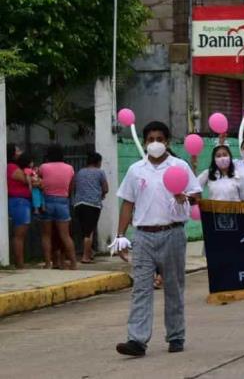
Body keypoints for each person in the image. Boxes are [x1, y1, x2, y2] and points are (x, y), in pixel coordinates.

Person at [113, 121, 202, 357]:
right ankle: (137, 340)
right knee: (141, 288)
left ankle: (176, 336)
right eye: (150, 139)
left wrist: (185, 198)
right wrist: (121, 235)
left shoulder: (179, 166)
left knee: (173, 287)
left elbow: (196, 195)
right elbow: (127, 203)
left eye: (159, 139)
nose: (155, 144)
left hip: (172, 233)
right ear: (144, 142)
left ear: (167, 142)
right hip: (143, 236)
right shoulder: (135, 170)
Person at [38, 144, 77, 270]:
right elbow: (71, 187)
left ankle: (48, 263)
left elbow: (38, 182)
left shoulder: (43, 167)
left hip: (47, 201)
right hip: (62, 202)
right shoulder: (70, 168)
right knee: (65, 235)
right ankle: (73, 263)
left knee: (46, 235)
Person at [73, 152, 109, 264]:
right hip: (93, 205)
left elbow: (74, 186)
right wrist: (102, 194)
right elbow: (106, 188)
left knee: (85, 230)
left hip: (78, 204)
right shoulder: (100, 172)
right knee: (89, 232)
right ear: (98, 162)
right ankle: (85, 257)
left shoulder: (80, 172)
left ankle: (90, 252)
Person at [7, 145, 33, 269]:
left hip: (22, 202)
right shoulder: (12, 167)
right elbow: (28, 180)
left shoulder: (17, 167)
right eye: (17, 150)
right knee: (19, 234)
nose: (20, 152)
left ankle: (20, 261)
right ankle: (19, 263)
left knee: (21, 234)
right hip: (19, 202)